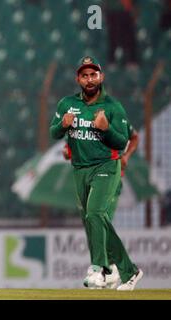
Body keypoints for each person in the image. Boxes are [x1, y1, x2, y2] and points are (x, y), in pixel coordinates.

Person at [50, 56, 143, 291]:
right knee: (92, 219)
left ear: (101, 77)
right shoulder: (67, 104)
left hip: (106, 166)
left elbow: (122, 141)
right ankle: (128, 271)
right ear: (78, 79)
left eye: (93, 75)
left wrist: (106, 128)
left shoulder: (113, 106)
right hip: (79, 168)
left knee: (95, 213)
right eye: (84, 75)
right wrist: (63, 125)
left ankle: (99, 268)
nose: (89, 79)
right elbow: (53, 133)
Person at [62, 123, 139, 288]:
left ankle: (108, 269)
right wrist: (69, 151)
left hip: (109, 179)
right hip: (89, 178)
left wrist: (126, 156)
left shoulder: (116, 119)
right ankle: (108, 269)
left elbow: (134, 136)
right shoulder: (83, 122)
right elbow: (75, 148)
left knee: (98, 219)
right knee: (92, 222)